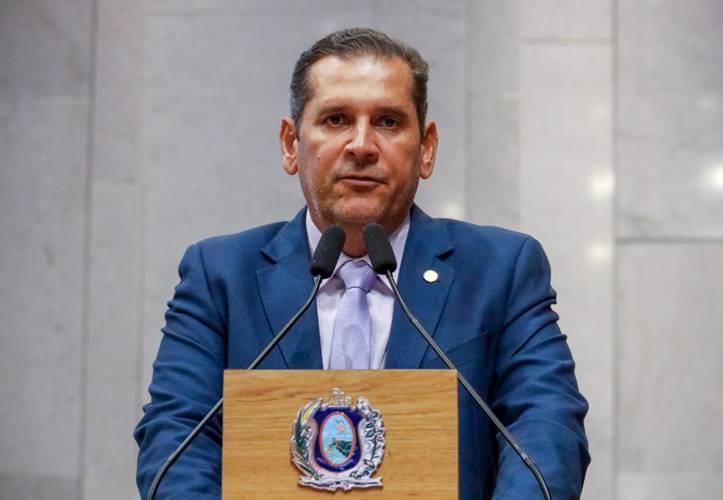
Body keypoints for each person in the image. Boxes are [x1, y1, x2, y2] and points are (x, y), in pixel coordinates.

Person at [134, 27, 590, 499]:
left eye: (388, 122)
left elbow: (546, 428)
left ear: (426, 148)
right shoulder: (220, 277)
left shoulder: (501, 271)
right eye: (336, 119)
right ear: (291, 144)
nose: (361, 145)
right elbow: (176, 438)